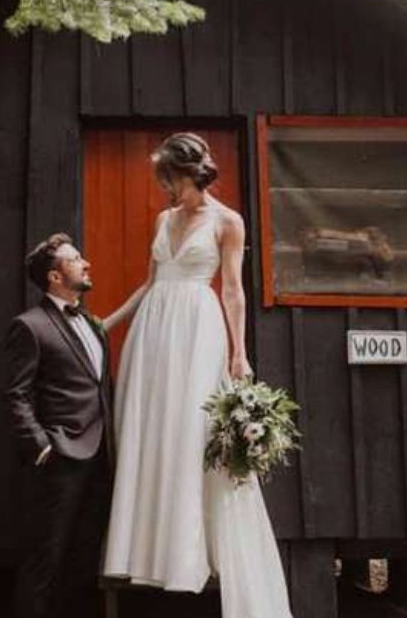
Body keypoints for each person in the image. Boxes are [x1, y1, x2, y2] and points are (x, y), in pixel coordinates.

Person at [101, 133, 293, 617]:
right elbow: (149, 283)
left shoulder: (228, 222)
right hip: (154, 331)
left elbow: (232, 290)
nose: (165, 189)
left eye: (169, 179)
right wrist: (103, 324)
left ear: (189, 174)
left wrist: (238, 351)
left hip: (197, 329)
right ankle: (147, 551)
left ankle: (188, 553)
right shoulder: (164, 219)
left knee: (191, 430)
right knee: (153, 428)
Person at [5, 233, 113, 618]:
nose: (86, 264)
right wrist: (40, 444)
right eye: (76, 259)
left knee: (84, 560)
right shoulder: (30, 326)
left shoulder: (92, 325)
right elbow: (15, 394)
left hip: (102, 458)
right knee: (45, 558)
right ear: (54, 276)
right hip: (59, 460)